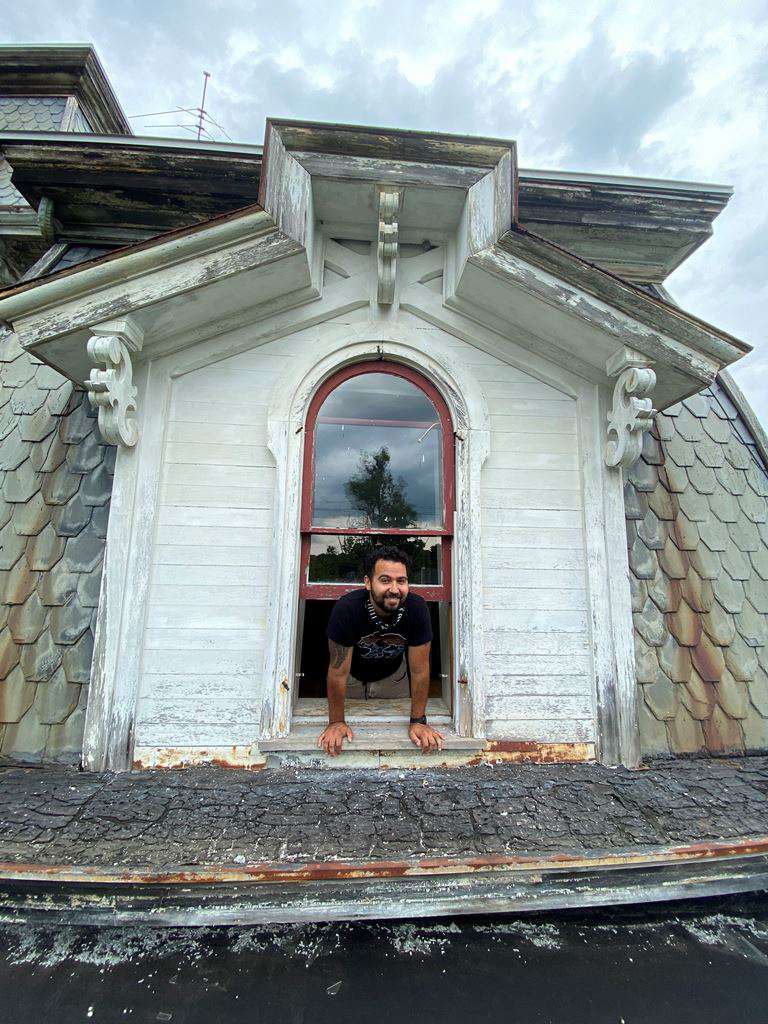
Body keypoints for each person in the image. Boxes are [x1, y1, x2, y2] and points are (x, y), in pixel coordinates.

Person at [317, 545, 445, 756]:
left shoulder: (417, 608)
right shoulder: (348, 608)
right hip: (352, 681)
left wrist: (418, 721)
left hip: (394, 679)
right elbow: (338, 672)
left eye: (401, 581)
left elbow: (421, 670)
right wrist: (336, 722)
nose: (394, 589)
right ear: (368, 582)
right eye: (385, 580)